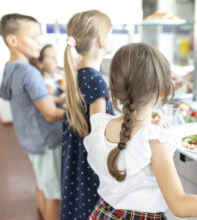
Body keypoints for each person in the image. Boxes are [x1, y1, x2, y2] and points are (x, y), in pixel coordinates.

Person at [84, 43, 197, 219]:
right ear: (162, 90)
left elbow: (130, 137)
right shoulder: (153, 141)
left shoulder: (102, 125)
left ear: (114, 86)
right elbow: (180, 205)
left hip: (103, 213)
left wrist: (149, 124)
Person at [0, 13, 64, 220]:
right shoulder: (29, 72)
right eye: (33, 37)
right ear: (13, 40)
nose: (39, 42)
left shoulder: (10, 68)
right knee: (54, 193)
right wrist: (79, 113)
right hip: (46, 142)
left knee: (43, 186)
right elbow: (51, 114)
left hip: (30, 140)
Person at [61, 10, 114, 220]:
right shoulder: (95, 79)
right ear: (101, 40)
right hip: (91, 160)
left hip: (76, 155)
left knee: (79, 205)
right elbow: (99, 130)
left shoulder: (79, 73)